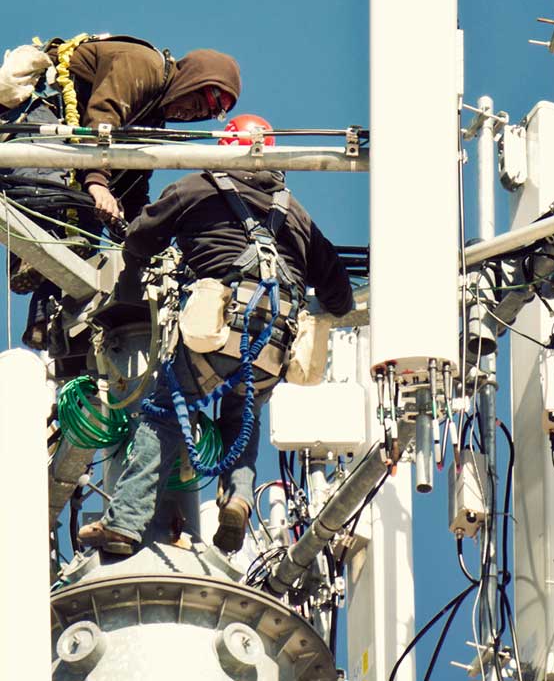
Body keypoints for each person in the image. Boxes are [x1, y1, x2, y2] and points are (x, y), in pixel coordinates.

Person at [77, 114, 354, 556]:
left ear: (222, 148)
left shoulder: (197, 187)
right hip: (273, 349)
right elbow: (340, 297)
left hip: (217, 333)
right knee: (241, 417)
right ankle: (239, 497)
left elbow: (142, 237)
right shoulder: (299, 215)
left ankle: (126, 523)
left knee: (163, 413)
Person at [2, 34, 241, 301]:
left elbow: (133, 183)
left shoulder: (151, 119)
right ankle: (33, 251)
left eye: (199, 116)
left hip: (77, 143)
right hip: (33, 112)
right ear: (189, 82)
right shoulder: (143, 66)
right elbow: (104, 117)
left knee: (87, 223)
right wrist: (96, 183)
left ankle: (49, 316)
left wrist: (138, 231)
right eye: (194, 105)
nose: (190, 115)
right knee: (51, 174)